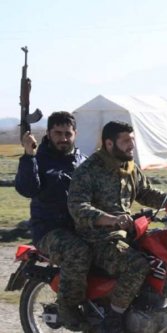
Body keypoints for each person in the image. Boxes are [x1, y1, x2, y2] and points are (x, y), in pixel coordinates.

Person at [67, 121, 167, 333]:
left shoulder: (129, 168)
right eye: (125, 141)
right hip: (97, 239)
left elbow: (145, 192)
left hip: (125, 234)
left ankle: (147, 309)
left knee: (163, 255)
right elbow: (77, 206)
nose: (131, 145)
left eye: (132, 140)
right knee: (136, 265)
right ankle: (114, 319)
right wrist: (109, 219)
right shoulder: (89, 170)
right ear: (109, 143)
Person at [15, 111, 90, 331]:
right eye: (58, 133)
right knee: (78, 252)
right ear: (48, 133)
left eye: (68, 133)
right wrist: (28, 154)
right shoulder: (38, 159)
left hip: (80, 227)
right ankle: (67, 309)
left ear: (75, 134)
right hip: (49, 231)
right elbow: (27, 188)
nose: (63, 138)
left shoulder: (83, 161)